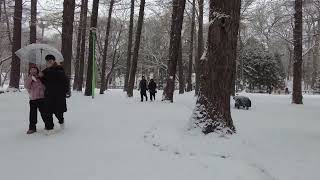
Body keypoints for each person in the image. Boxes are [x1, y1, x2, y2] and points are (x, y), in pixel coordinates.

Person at [41, 55, 70, 134]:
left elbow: (63, 79)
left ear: (53, 61)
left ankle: (61, 121)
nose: (48, 63)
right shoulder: (45, 71)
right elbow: (45, 82)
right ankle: (50, 128)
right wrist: (41, 77)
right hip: (48, 94)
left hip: (58, 95)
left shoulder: (59, 69)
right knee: (47, 111)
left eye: (50, 61)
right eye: (47, 61)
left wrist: (66, 91)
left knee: (58, 112)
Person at [24, 66, 48, 134]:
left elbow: (45, 85)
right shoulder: (29, 78)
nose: (33, 71)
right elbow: (26, 86)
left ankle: (47, 125)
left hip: (41, 98)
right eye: (31, 70)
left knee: (44, 113)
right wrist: (30, 78)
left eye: (34, 70)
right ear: (30, 71)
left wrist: (41, 77)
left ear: (37, 71)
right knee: (32, 114)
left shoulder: (40, 77)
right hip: (33, 99)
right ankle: (32, 128)